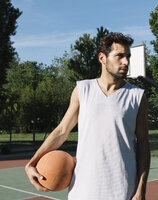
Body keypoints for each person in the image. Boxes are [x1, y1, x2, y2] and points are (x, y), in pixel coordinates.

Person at [25, 32, 150, 200]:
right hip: (83, 188)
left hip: (122, 189)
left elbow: (143, 143)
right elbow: (62, 131)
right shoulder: (82, 90)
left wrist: (141, 188)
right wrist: (32, 162)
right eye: (120, 56)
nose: (126, 62)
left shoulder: (137, 96)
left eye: (128, 56)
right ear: (102, 58)